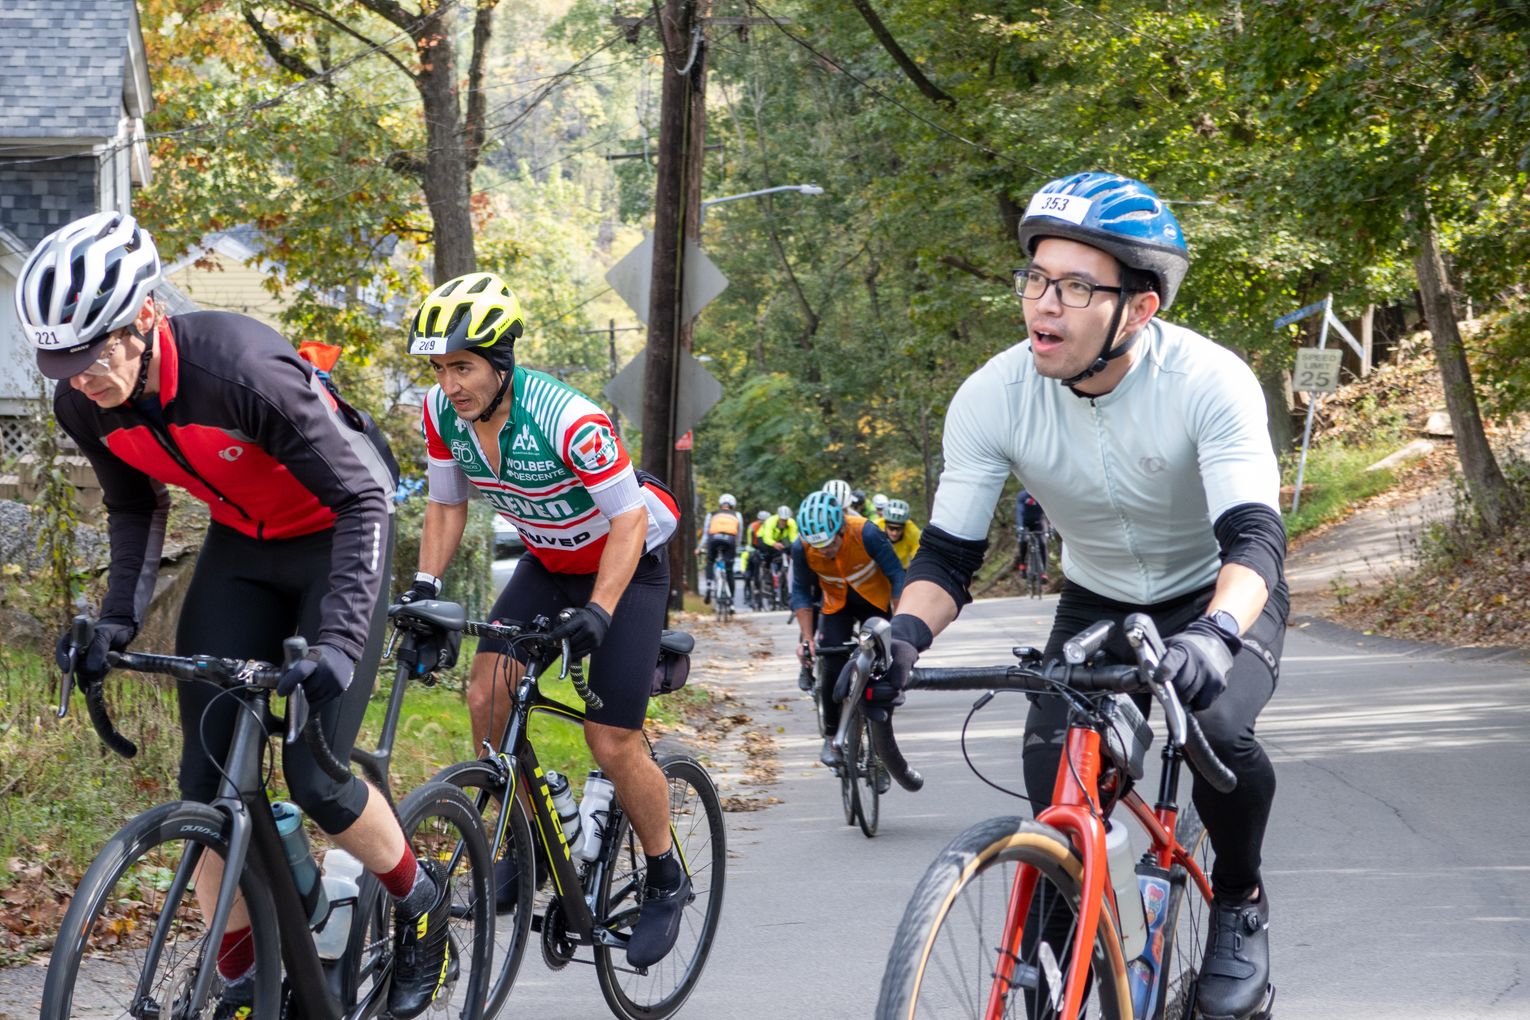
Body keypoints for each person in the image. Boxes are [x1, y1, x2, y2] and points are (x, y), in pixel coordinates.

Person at [18, 211, 450, 1019]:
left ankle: (420, 900)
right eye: (59, 362)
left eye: (90, 354)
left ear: (146, 317)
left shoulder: (240, 369)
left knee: (316, 777)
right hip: (243, 548)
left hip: (337, 535)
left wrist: (338, 643)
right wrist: (116, 622)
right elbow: (132, 505)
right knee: (209, 782)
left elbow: (362, 497)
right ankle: (250, 981)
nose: (78, 377)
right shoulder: (84, 403)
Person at [874, 172, 1284, 1020]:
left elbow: (1255, 542)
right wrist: (903, 635)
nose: (1042, 305)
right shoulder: (993, 394)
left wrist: (1214, 633)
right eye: (1034, 279)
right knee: (1056, 786)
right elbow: (948, 559)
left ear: (1137, 308)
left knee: (1211, 728)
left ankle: (1239, 902)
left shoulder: (1210, 380)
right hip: (1096, 600)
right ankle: (1058, 970)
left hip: (1219, 593)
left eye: (1073, 286)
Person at [399, 271, 689, 969]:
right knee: (487, 696)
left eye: (462, 367)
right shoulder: (444, 416)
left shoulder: (568, 419)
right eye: (439, 369)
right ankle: (525, 838)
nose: (450, 384)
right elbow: (445, 506)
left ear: (501, 364)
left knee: (612, 741)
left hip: (627, 563)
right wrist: (423, 589)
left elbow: (627, 519)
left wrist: (601, 610)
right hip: (548, 563)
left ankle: (664, 875)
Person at [790, 489, 905, 768]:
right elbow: (801, 593)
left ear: (842, 527)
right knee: (830, 664)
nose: (825, 551)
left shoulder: (867, 533)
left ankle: (881, 741)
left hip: (874, 602)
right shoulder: (802, 547)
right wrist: (807, 639)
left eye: (829, 544)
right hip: (837, 605)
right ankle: (832, 737)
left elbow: (897, 578)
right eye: (818, 547)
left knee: (883, 669)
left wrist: (900, 626)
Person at [699, 493, 744, 606]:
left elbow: (705, 533)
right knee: (729, 570)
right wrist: (736, 546)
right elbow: (739, 533)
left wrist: (699, 548)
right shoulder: (737, 514)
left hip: (714, 539)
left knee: (710, 561)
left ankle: (709, 585)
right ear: (732, 505)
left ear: (720, 504)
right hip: (730, 540)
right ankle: (732, 601)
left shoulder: (712, 514)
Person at [758, 504, 798, 608]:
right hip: (764, 538)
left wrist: (791, 551)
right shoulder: (770, 521)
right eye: (782, 520)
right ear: (778, 517)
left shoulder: (792, 523)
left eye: (785, 520)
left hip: (780, 538)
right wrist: (775, 544)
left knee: (790, 550)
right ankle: (767, 569)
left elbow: (793, 539)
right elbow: (767, 538)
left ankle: (784, 577)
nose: (783, 522)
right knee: (768, 551)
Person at [1013, 488, 1049, 583]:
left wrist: (1050, 527)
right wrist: (1020, 527)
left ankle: (1044, 572)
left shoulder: (1042, 494)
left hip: (1038, 522)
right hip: (1025, 523)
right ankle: (1022, 566)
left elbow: (1049, 511)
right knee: (1023, 540)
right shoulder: (1023, 495)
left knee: (1042, 544)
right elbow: (1019, 511)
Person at [882, 498, 922, 568]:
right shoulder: (875, 527)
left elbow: (918, 555)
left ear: (905, 526)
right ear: (885, 524)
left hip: (901, 566)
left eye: (899, 529)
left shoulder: (913, 532)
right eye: (891, 528)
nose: (894, 533)